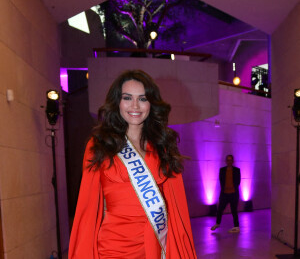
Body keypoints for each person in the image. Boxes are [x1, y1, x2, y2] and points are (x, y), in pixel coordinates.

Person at [68, 69, 197, 259]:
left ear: (151, 104)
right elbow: (88, 208)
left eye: (143, 99)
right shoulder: (99, 145)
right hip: (113, 248)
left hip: (156, 245)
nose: (135, 105)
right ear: (117, 102)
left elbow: (176, 206)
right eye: (127, 98)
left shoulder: (162, 145)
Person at [211, 154, 241, 233]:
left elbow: (238, 182)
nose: (229, 161)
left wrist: (233, 189)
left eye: (231, 160)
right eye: (228, 160)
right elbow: (221, 181)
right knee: (220, 209)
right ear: (226, 161)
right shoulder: (222, 170)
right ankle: (217, 223)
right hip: (224, 194)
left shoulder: (237, 170)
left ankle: (236, 226)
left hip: (233, 194)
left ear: (233, 161)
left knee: (234, 210)